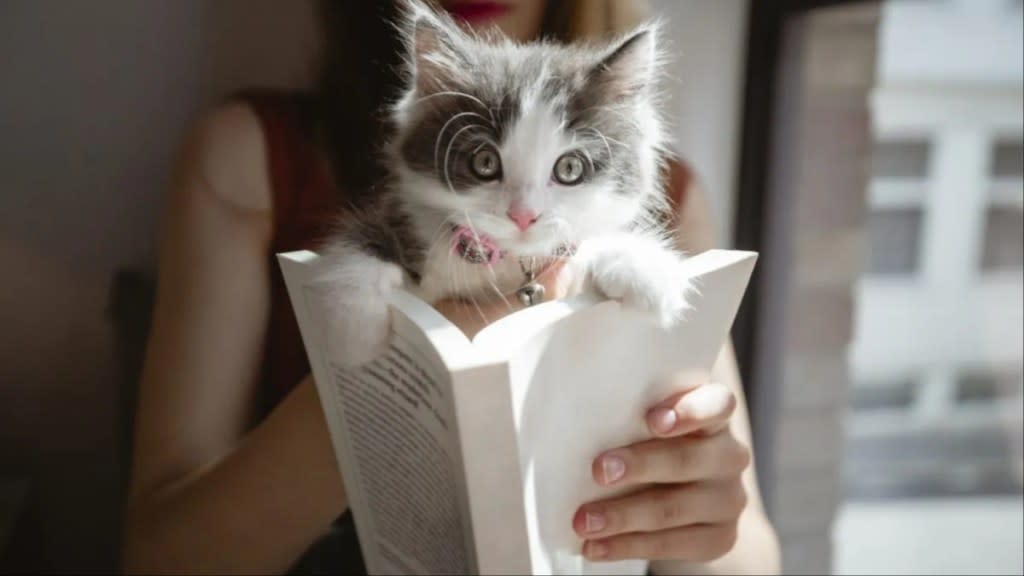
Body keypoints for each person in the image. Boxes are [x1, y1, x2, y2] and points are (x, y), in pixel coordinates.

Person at [121, 1, 781, 574]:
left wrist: (699, 509)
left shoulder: (666, 206)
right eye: (485, 162)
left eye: (569, 169)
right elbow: (159, 561)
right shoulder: (249, 156)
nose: (524, 214)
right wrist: (389, 384)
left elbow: (746, 558)